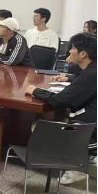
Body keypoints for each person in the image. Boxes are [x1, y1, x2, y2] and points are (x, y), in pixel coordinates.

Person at [26, 33, 97, 186]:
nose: (70, 51)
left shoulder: (90, 74)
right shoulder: (92, 71)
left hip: (87, 131)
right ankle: (83, 156)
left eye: (73, 48)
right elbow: (83, 80)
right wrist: (69, 78)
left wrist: (36, 91)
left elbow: (60, 100)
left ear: (83, 54)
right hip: (91, 126)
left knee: (37, 126)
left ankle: (76, 165)